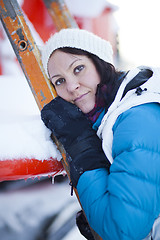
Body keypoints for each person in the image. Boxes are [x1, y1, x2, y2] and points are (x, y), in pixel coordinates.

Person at [41, 28, 160, 240]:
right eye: (59, 81)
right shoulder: (114, 116)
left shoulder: (136, 118)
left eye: (78, 68)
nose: (72, 86)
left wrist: (82, 145)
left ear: (100, 63)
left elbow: (122, 231)